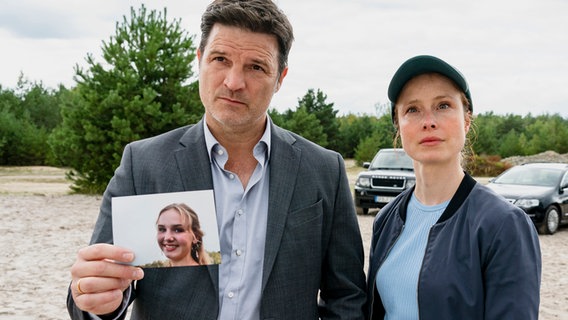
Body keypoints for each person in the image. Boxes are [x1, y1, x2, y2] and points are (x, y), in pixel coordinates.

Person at [67, 0, 367, 319]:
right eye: (220, 59)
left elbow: (346, 295)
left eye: (256, 67)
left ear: (280, 78)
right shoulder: (143, 165)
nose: (234, 82)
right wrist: (99, 301)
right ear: (200, 60)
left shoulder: (324, 170)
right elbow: (94, 292)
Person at [366, 55, 541, 319]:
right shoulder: (386, 220)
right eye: (412, 109)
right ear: (398, 127)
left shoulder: (504, 224)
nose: (429, 121)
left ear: (467, 120)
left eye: (443, 105)